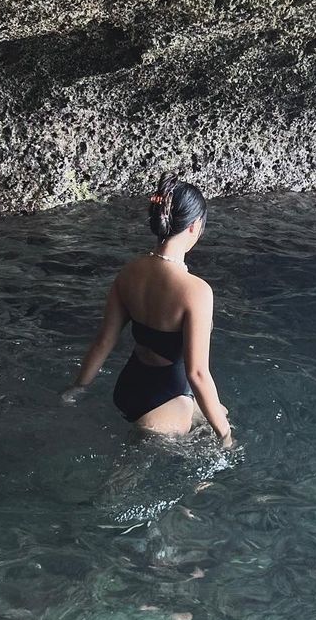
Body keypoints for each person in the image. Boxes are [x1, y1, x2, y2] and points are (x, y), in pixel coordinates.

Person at [62, 173, 233, 446]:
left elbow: (103, 342)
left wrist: (76, 388)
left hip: (127, 390)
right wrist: (226, 436)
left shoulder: (129, 273)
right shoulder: (197, 291)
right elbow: (198, 374)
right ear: (194, 226)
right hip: (166, 404)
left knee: (218, 411)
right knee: (220, 426)